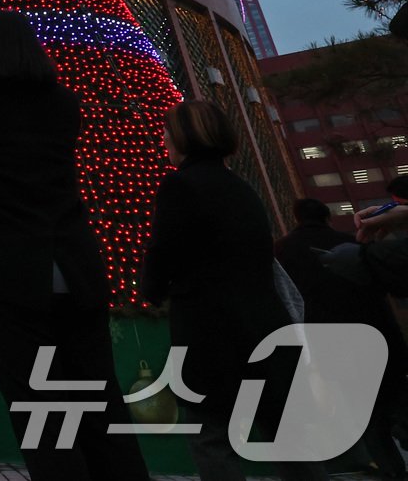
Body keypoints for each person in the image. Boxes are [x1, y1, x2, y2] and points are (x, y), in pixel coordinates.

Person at [0, 10, 150, 481]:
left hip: (9, 272)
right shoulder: (62, 101)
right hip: (74, 264)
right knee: (100, 399)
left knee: (38, 404)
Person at [142, 100, 329, 481]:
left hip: (210, 330)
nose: (162, 139)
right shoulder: (239, 186)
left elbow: (164, 250)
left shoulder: (179, 186)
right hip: (264, 325)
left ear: (183, 136)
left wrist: (152, 289)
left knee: (211, 433)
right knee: (284, 432)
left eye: (166, 132)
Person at [276, 198, 408, 478]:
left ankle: (392, 472)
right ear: (327, 217)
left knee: (368, 418)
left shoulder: (284, 250)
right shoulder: (350, 243)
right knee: (397, 401)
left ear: (296, 217)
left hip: (329, 339)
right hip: (376, 332)